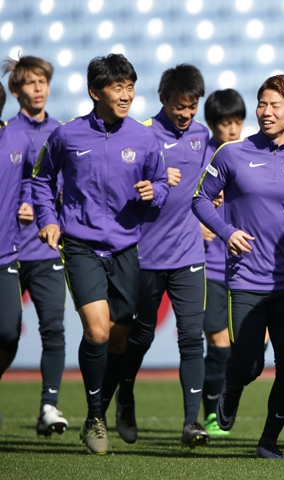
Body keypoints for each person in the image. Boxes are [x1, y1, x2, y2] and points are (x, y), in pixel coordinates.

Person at [192, 74, 284, 459]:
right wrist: (226, 232)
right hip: (244, 278)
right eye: (262, 103)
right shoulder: (230, 154)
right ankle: (231, 390)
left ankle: (268, 441)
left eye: (275, 105)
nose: (266, 111)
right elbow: (200, 200)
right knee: (248, 363)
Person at [31, 54, 169, 455]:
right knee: (98, 330)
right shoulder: (67, 136)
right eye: (117, 87)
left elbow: (160, 186)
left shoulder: (144, 138)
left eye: (130, 86)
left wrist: (154, 193)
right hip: (80, 245)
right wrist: (49, 217)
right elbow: (41, 179)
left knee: (120, 338)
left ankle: (114, 401)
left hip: (127, 246)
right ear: (96, 91)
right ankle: (94, 417)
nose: (126, 95)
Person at [101, 64, 211, 447]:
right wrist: (151, 184)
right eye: (180, 106)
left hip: (188, 253)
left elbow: (211, 184)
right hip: (145, 256)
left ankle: (191, 423)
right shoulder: (141, 135)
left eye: (192, 107)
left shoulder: (201, 135)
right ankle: (125, 397)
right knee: (140, 335)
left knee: (191, 337)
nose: (186, 115)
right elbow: (121, 190)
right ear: (164, 99)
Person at [3, 55, 68, 437]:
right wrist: (19, 204)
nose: (39, 88)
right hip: (9, 250)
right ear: (16, 90)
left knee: (53, 329)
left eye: (43, 81)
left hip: (47, 250)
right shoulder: (7, 132)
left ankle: (49, 404)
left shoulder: (62, 132)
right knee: (6, 332)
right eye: (30, 82)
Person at [200, 88, 246, 437]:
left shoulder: (249, 156)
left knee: (251, 347)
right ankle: (212, 412)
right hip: (210, 267)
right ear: (212, 124)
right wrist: (197, 224)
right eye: (224, 123)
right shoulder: (200, 158)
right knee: (218, 342)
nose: (231, 129)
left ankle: (225, 400)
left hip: (247, 268)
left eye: (237, 122)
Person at [0, 122, 36, 427]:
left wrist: (27, 201)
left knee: (9, 331)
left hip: (5, 254)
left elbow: (28, 180)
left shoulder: (19, 141)